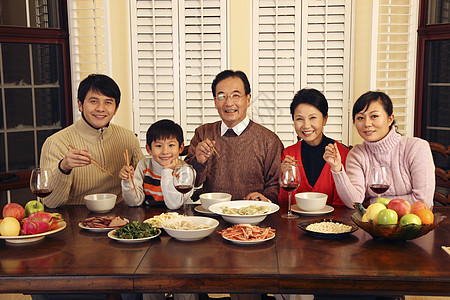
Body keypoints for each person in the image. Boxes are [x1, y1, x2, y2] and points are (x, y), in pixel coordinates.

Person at [39, 74, 145, 208]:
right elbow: (50, 203)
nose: (101, 108)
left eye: (108, 102)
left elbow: (146, 182)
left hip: (121, 217)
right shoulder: (55, 143)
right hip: (74, 217)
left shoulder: (128, 138)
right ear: (80, 104)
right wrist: (63, 168)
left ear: (116, 108)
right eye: (93, 101)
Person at [185, 69, 284, 203]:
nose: (229, 103)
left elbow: (276, 186)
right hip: (212, 217)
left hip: (253, 217)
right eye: (221, 96)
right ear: (215, 102)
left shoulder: (269, 140)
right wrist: (199, 163)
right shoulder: (203, 133)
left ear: (248, 99)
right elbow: (189, 183)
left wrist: (264, 199)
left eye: (235, 95)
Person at [324, 91, 435, 209]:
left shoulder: (417, 148)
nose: (367, 123)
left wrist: (373, 202)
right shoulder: (357, 154)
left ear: (390, 119)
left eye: (374, 116)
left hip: (413, 224)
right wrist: (337, 169)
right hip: (372, 225)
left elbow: (423, 201)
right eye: (360, 118)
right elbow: (355, 202)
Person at [278, 88, 349, 207]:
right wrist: (285, 179)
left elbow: (342, 206)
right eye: (299, 119)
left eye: (313, 118)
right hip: (296, 223)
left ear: (325, 119)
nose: (306, 126)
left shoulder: (342, 153)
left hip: (330, 224)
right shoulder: (288, 154)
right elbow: (285, 205)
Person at [119, 119, 193, 209]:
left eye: (171, 145)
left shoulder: (185, 170)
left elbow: (174, 205)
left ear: (180, 148)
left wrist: (167, 171)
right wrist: (128, 181)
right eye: (158, 146)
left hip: (179, 218)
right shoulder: (144, 166)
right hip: (149, 218)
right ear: (149, 149)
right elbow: (134, 202)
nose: (165, 151)